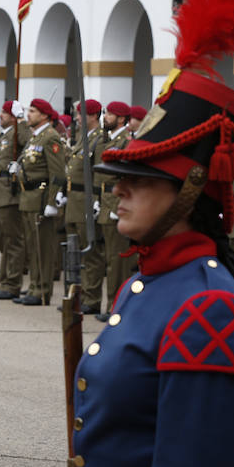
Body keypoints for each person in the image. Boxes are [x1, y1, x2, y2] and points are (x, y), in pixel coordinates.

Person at [72, 0, 234, 467]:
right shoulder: (150, 282)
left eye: (139, 178)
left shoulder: (207, 305)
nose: (119, 189)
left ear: (190, 188)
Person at [11, 98, 66, 305]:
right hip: (29, 198)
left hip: (41, 198)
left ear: (44, 115)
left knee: (43, 248)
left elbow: (57, 173)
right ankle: (34, 286)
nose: (29, 114)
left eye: (32, 111)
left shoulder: (50, 137)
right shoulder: (36, 137)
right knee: (32, 247)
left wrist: (53, 202)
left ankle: (42, 290)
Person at [60, 99, 105, 316]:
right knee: (74, 252)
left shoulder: (100, 138)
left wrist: (97, 200)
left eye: (81, 115)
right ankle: (76, 295)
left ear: (93, 116)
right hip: (73, 200)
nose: (77, 119)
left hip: (86, 201)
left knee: (91, 254)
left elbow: (98, 173)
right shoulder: (83, 138)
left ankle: (92, 298)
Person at [92, 100, 134, 321]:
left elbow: (127, 175)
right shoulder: (106, 139)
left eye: (109, 114)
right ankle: (110, 305)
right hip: (104, 200)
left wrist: (121, 203)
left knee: (117, 259)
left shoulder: (126, 141)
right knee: (108, 257)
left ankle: (117, 306)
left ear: (121, 119)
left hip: (116, 201)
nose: (104, 117)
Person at [0, 100, 29, 300]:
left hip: (8, 193)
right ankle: (5, 281)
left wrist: (22, 120)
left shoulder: (18, 132)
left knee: (13, 241)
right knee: (2, 241)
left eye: (5, 113)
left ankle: (12, 284)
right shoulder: (4, 135)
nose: (0, 116)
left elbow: (29, 142)